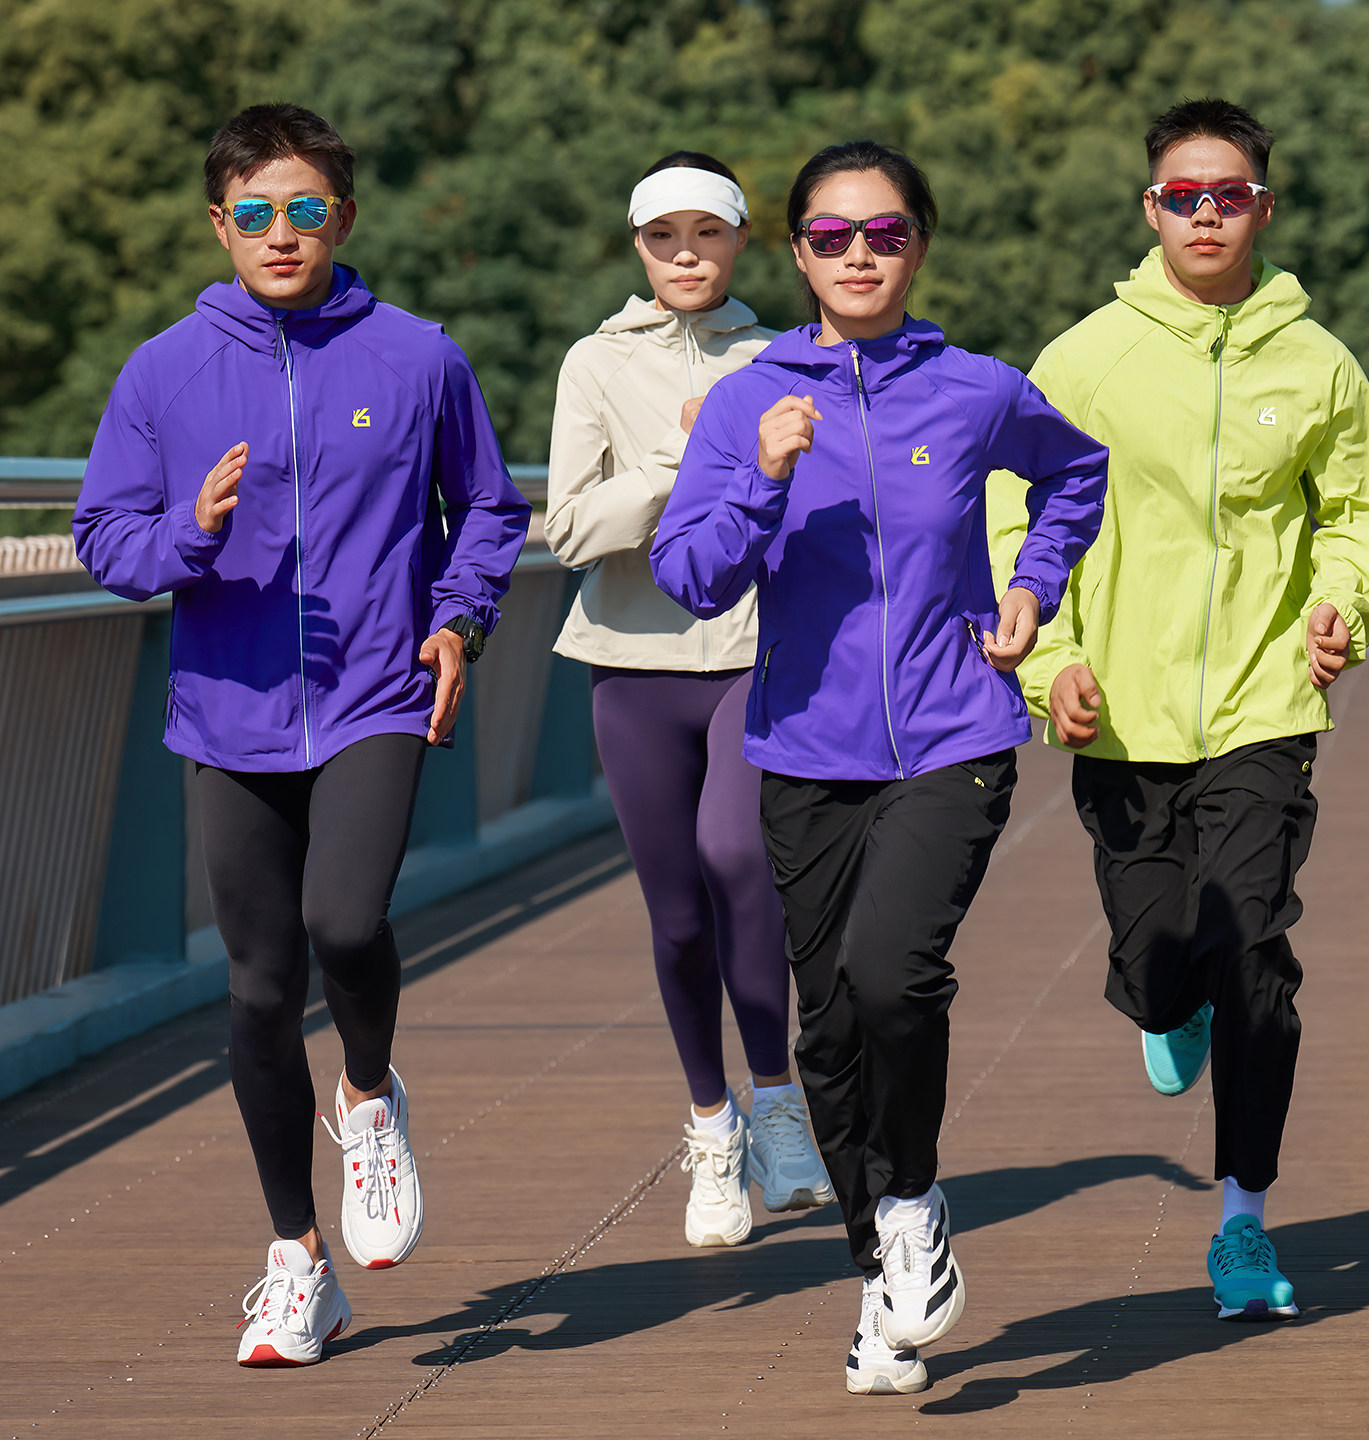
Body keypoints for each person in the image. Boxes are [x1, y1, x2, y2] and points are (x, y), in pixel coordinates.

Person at [72, 103, 530, 1366]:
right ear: (219, 224)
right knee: (261, 992)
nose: (283, 234)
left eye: (307, 209)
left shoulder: (418, 357)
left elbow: (488, 509)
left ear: (344, 217)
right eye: (256, 213)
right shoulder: (163, 369)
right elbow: (106, 539)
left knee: (345, 924)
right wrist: (189, 538)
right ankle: (297, 1259)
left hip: (380, 690)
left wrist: (459, 620)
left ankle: (371, 1097)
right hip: (229, 710)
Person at [651, 140, 1107, 1395]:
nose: (861, 254)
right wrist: (760, 476)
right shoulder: (752, 399)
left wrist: (1030, 588)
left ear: (918, 246)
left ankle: (908, 1210)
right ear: (798, 254)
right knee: (834, 1030)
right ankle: (881, 1273)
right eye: (834, 236)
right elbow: (693, 578)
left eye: (886, 233)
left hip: (956, 734)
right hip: (803, 750)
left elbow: (1077, 473)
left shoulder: (974, 387)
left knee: (892, 975)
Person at [989, 97, 1369, 1321]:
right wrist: (1049, 660)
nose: (1207, 213)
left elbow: (1361, 509)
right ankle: (1164, 1001)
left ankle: (1242, 1219)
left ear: (1263, 209)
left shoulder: (1317, 361)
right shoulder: (1081, 361)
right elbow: (1017, 518)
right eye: (1185, 195)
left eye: (1230, 195)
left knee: (1256, 955)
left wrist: (1341, 609)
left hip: (1267, 706)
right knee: (1163, 965)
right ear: (1151, 209)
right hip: (1117, 714)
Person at [546, 152, 833, 1250]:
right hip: (632, 659)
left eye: (706, 234)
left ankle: (778, 1100)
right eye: (663, 236)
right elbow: (568, 528)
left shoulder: (792, 356)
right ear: (638, 248)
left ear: (741, 242)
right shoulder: (593, 364)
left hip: (760, 656)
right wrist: (693, 449)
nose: (685, 254)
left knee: (740, 863)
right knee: (675, 916)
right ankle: (712, 1132)